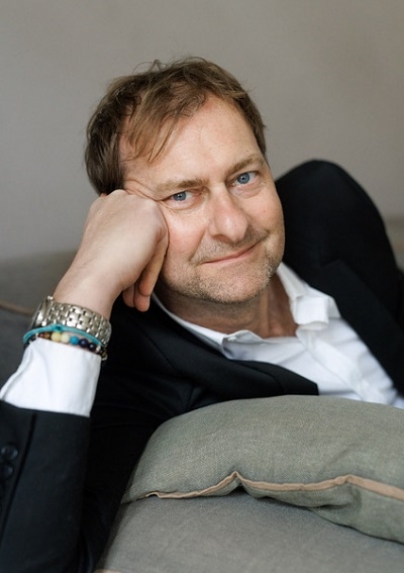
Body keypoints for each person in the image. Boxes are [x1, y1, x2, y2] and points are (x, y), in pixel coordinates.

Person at [0, 57, 403, 572]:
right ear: (123, 218)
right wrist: (88, 281)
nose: (233, 226)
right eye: (182, 195)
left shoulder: (326, 202)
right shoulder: (135, 373)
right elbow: (27, 560)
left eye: (244, 177)